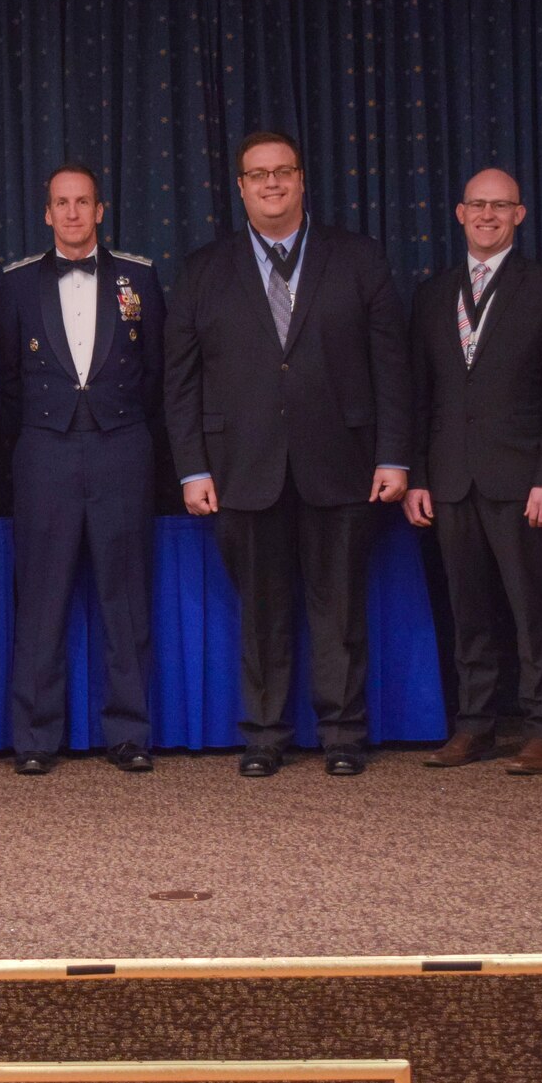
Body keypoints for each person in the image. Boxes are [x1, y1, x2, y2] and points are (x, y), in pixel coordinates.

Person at [164, 131, 412, 777]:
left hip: (344, 461)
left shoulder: (358, 257)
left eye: (283, 172)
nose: (272, 183)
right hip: (243, 467)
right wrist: (193, 467)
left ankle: (342, 734)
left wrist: (394, 455)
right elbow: (180, 380)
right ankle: (265, 735)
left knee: (340, 611)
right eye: (258, 174)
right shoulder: (202, 269)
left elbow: (392, 365)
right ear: (241, 186)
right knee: (262, 615)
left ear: (302, 180)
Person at [405, 169, 542, 775]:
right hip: (451, 481)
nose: (487, 215)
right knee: (468, 609)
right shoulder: (432, 294)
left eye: (500, 206)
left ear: (519, 215)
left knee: (534, 610)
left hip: (523, 481)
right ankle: (475, 725)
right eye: (477, 205)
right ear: (459, 213)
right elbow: (419, 396)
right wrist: (420, 476)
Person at [0, 164, 167, 774]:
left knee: (125, 597)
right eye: (60, 204)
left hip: (122, 446)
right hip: (44, 450)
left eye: (82, 202)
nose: (71, 213)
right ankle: (36, 739)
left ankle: (128, 734)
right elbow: (7, 381)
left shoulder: (140, 276)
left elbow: (156, 371)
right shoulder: (15, 284)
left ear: (100, 210)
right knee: (41, 599)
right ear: (47, 214)